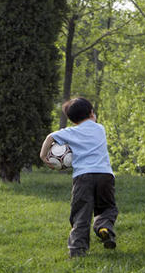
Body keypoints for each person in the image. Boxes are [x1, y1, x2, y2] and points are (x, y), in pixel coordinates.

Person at [40, 97, 118, 258]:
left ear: (73, 120)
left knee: (81, 213)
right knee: (107, 207)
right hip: (105, 175)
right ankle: (104, 228)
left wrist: (43, 156)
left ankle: (77, 249)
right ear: (91, 113)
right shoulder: (100, 128)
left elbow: (50, 138)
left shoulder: (70, 132)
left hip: (83, 177)